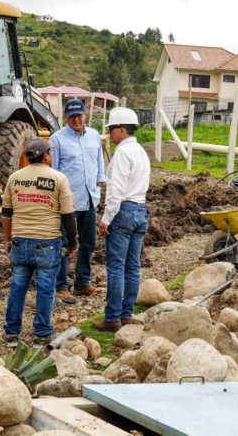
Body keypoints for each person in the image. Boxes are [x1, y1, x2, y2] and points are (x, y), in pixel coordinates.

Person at [2, 138, 77, 346]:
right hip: (47, 243)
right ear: (45, 155)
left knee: (18, 287)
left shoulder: (15, 178)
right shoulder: (58, 178)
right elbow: (68, 216)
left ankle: (11, 333)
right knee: (45, 289)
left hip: (20, 242)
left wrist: (7, 238)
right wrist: (72, 244)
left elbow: (6, 213)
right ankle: (42, 334)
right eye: (50, 153)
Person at [92, 108, 150, 332]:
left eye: (112, 129)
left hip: (123, 211)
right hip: (140, 209)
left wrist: (106, 219)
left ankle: (112, 318)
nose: (110, 134)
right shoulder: (141, 152)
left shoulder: (122, 154)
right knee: (132, 267)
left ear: (122, 129)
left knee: (116, 267)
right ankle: (126, 315)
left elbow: (116, 191)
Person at [49, 98, 106, 304]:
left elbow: (99, 161)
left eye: (79, 115)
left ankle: (82, 283)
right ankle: (61, 286)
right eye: (72, 116)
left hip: (89, 198)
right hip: (67, 202)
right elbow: (53, 171)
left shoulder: (94, 135)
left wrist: (100, 181)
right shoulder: (57, 139)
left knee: (89, 242)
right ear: (66, 117)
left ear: (85, 115)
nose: (76, 120)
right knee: (64, 243)